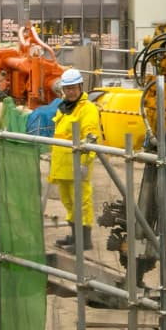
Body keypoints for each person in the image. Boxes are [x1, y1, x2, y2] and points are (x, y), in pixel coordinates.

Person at [49, 67, 101, 251]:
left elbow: (91, 136)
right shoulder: (63, 107)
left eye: (73, 88)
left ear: (80, 87)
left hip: (77, 165)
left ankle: (84, 241)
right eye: (67, 88)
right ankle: (74, 235)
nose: (70, 92)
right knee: (69, 202)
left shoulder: (87, 109)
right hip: (62, 165)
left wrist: (85, 163)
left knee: (82, 202)